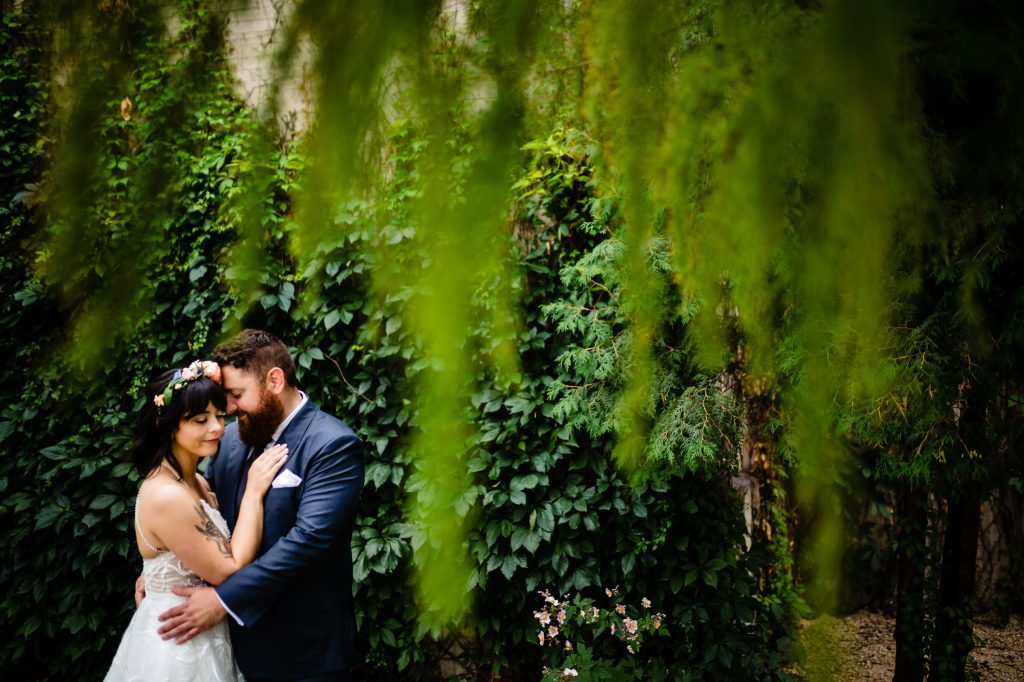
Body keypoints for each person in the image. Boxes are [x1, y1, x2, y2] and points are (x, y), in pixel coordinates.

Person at [152, 329, 366, 681]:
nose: (229, 410)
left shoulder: (333, 445)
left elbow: (306, 542)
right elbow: (200, 514)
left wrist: (222, 601)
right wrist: (161, 570)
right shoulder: (230, 439)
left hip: (305, 654)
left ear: (275, 380)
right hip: (229, 649)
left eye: (237, 395)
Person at [106, 360, 290, 681]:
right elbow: (229, 570)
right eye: (201, 420)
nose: (217, 428)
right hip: (178, 645)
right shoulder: (168, 495)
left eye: (219, 415)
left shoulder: (196, 481)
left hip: (206, 631)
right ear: (168, 425)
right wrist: (253, 491)